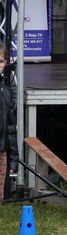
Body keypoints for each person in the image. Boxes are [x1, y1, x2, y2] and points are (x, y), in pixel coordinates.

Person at [0, 41, 17, 205]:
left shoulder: (5, 91)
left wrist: (13, 159)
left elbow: (11, 128)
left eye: (0, 61)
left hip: (1, 151)